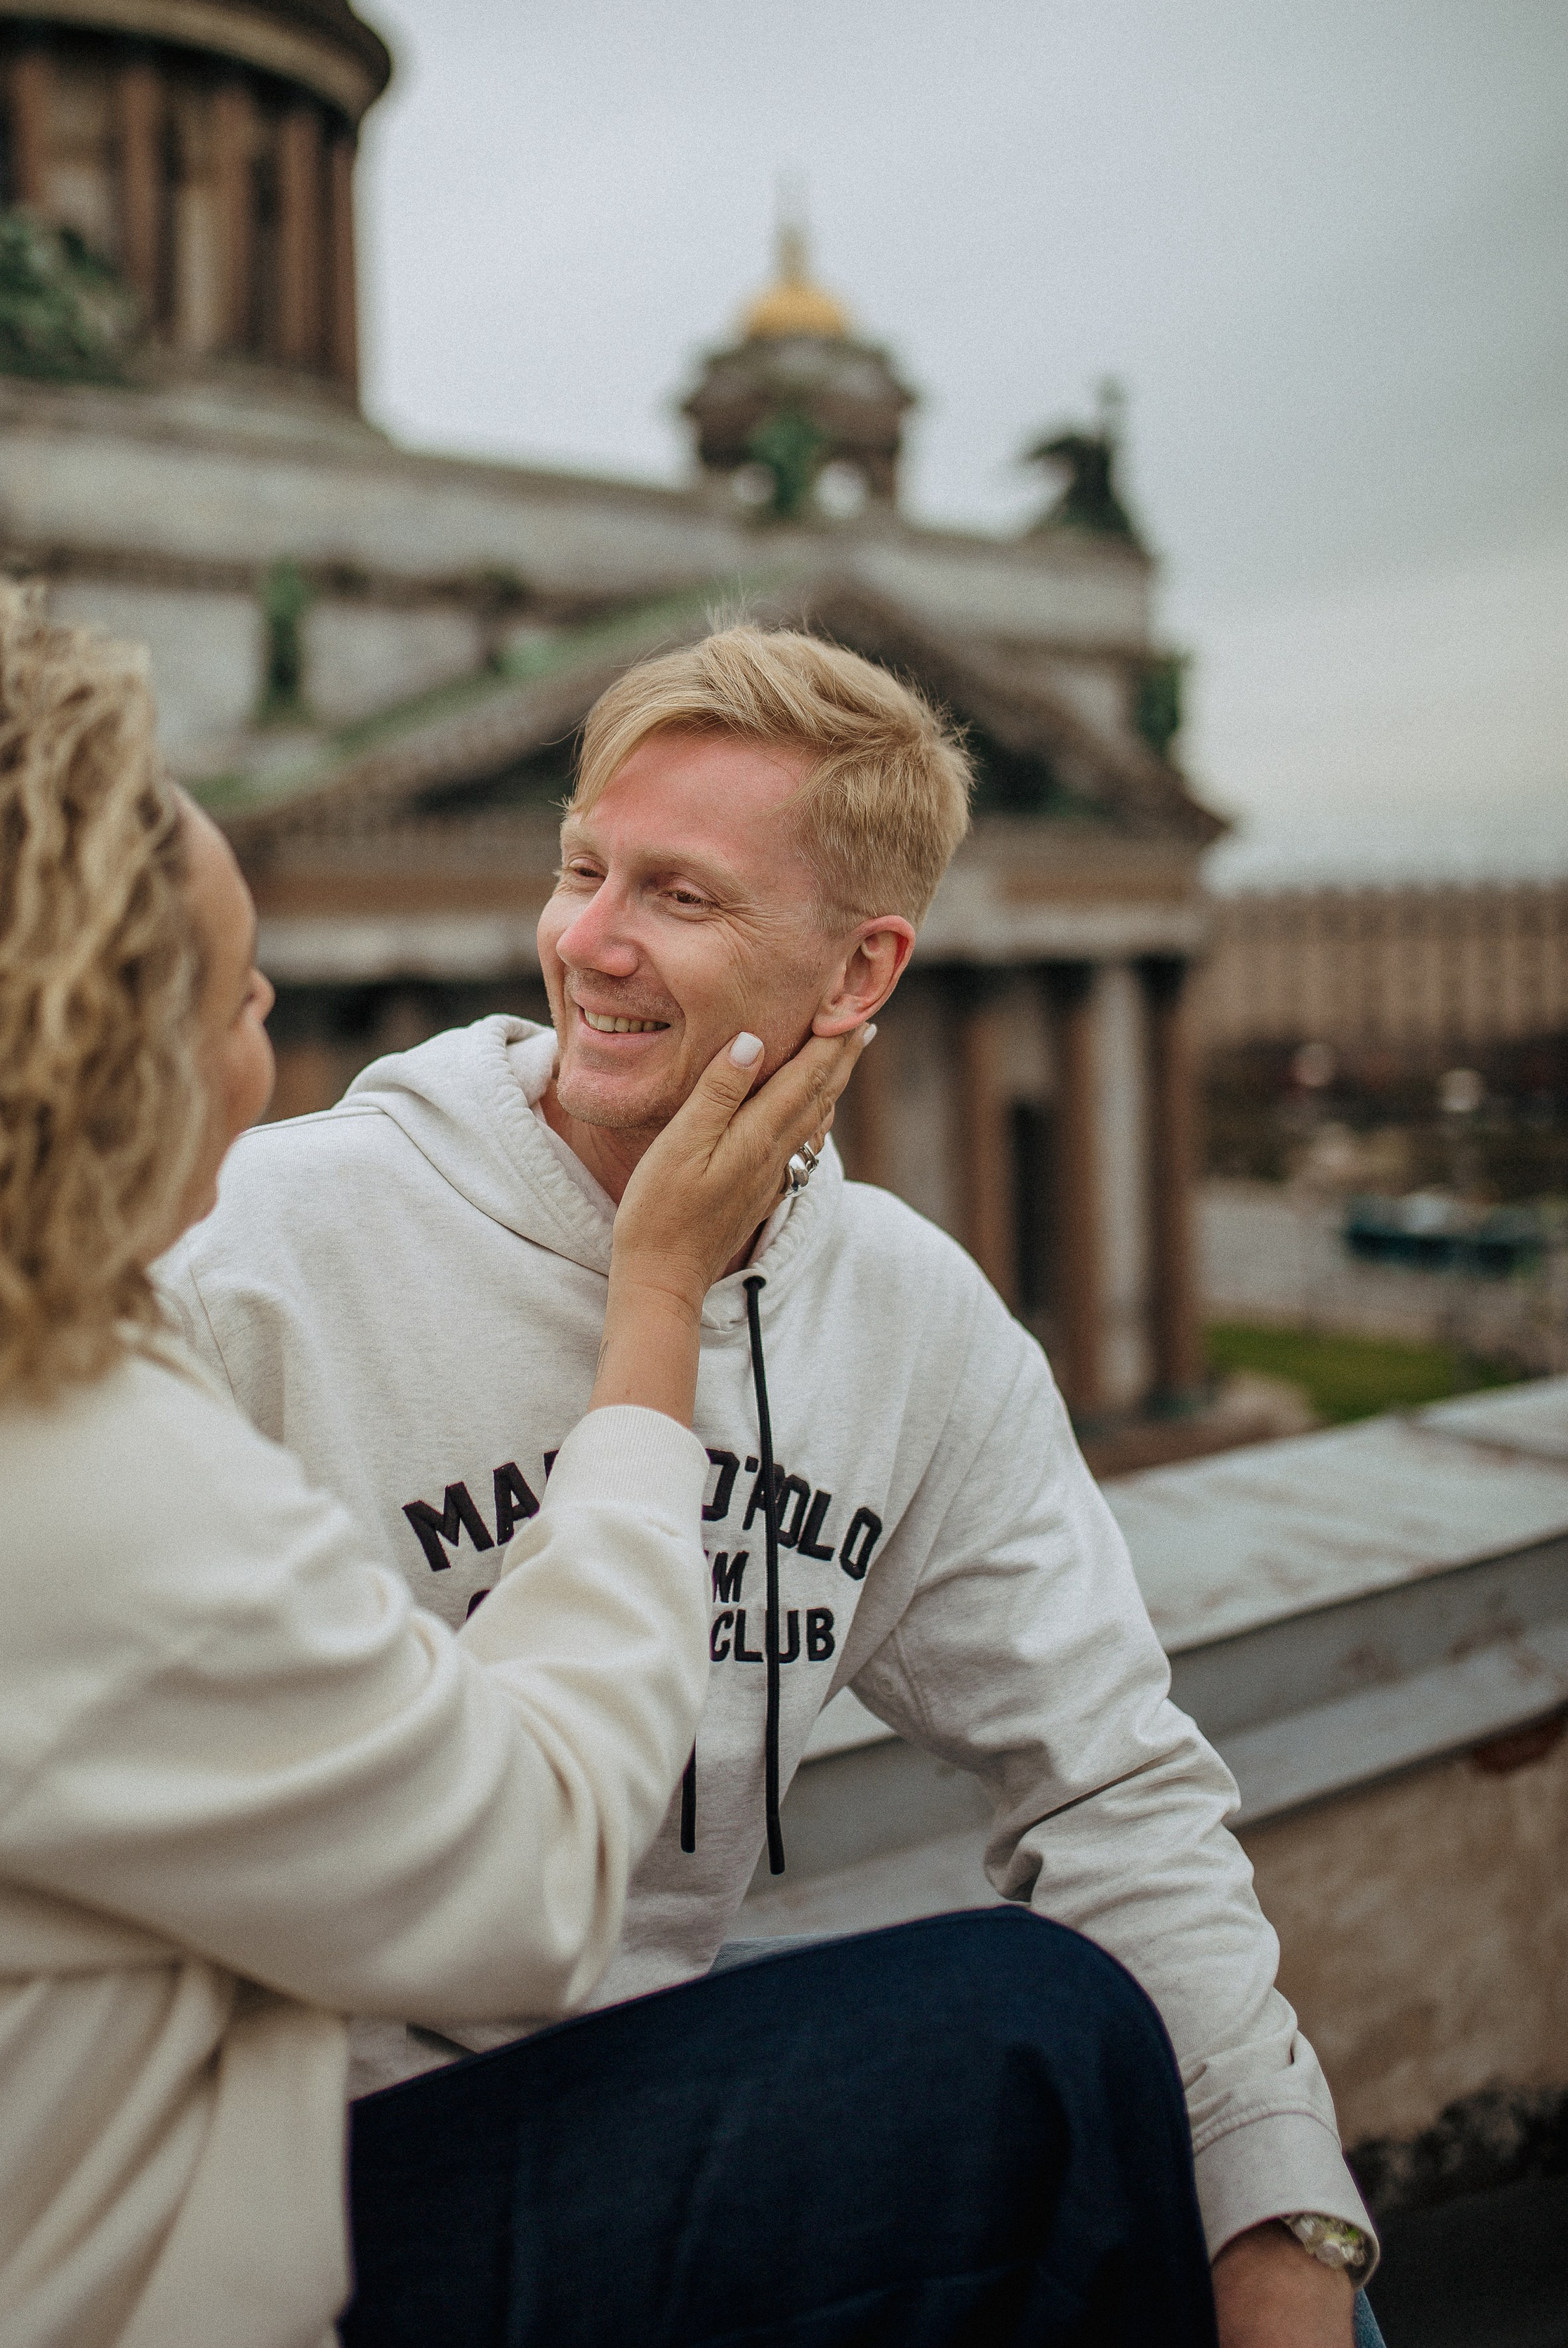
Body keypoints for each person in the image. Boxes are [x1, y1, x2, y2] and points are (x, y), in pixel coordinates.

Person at [165, 624, 1381, 2348]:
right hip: (284, 2165)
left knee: (1211, 2204)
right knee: (1028, 2034)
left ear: (860, 968)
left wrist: (1285, 2221)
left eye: (679, 895)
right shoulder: (259, 1251)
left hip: (631, 2107)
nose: (587, 940)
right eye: (580, 868)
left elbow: (1108, 1782)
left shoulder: (908, 1319)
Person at [0, 572, 865, 2348]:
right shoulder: (51, 1484)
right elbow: (535, 1871)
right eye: (233, 992)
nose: (269, 1021)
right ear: (81, 1068)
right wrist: (656, 1296)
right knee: (1026, 2042)